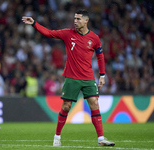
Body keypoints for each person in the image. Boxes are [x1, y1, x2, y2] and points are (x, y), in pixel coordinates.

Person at [22, 9, 115, 146]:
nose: (75, 21)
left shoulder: (94, 38)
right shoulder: (67, 34)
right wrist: (34, 23)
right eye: (74, 18)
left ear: (86, 20)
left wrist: (102, 75)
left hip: (88, 77)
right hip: (72, 77)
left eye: (78, 19)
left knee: (94, 104)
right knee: (66, 106)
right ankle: (57, 137)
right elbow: (49, 33)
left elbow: (100, 56)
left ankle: (101, 139)